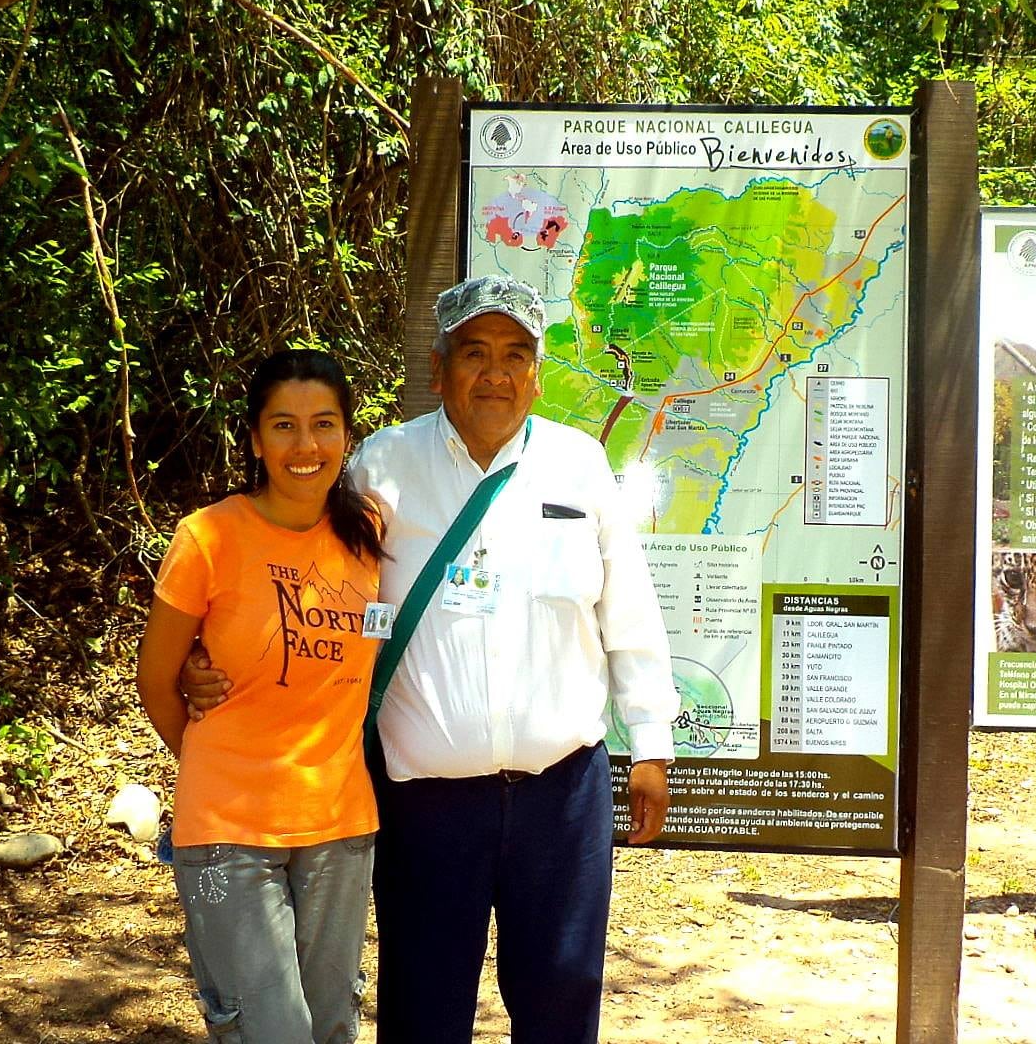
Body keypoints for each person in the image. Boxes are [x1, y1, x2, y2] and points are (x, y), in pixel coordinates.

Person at [182, 274, 680, 1043]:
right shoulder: (379, 468)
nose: (496, 373)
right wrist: (204, 660)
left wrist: (651, 744)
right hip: (427, 803)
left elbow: (629, 612)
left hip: (564, 793)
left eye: (516, 354)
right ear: (439, 370)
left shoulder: (580, 468)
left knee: (562, 998)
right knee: (422, 1004)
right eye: (474, 353)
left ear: (537, 373)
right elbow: (292, 574)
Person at [135, 348, 387, 1044]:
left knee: (333, 1025)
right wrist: (217, 763)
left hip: (340, 824)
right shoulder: (209, 538)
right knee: (268, 1032)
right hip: (227, 834)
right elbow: (155, 679)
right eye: (283, 426)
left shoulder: (370, 533)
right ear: (253, 439)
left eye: (324, 424)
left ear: (347, 435)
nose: (305, 446)